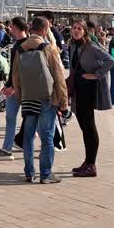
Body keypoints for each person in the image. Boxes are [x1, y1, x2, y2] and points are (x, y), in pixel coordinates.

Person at [12, 16, 69, 184]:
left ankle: (29, 172)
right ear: (44, 30)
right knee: (47, 137)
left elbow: (15, 77)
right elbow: (59, 77)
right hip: (47, 98)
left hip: (28, 97)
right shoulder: (48, 48)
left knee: (28, 136)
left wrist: (21, 97)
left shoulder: (20, 48)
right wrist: (63, 101)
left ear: (31, 29)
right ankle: (46, 173)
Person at [67, 20, 113, 178]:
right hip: (78, 90)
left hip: (87, 90)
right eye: (74, 28)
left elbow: (110, 60)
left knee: (89, 127)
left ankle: (91, 165)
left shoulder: (90, 46)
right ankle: (87, 162)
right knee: (84, 127)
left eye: (79, 28)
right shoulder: (73, 45)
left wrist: (96, 75)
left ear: (85, 31)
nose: (76, 31)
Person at [0, 17, 28, 159]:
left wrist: (13, 86)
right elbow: (14, 68)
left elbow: (23, 69)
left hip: (22, 89)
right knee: (11, 118)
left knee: (27, 119)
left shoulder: (25, 45)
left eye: (12, 26)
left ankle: (47, 145)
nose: (10, 29)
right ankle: (7, 149)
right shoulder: (18, 43)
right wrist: (8, 84)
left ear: (17, 27)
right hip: (15, 87)